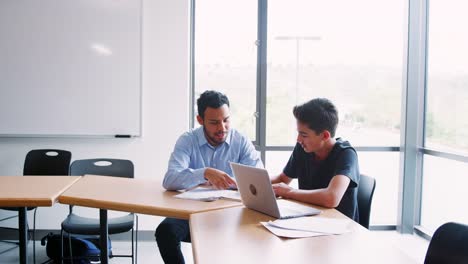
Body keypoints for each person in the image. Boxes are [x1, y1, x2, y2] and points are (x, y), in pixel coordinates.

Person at [156, 90, 263, 263]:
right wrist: (204, 172)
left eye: (226, 120)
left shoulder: (240, 141)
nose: (222, 128)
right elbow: (170, 179)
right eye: (214, 122)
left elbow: (258, 181)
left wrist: (235, 183)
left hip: (230, 212)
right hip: (192, 211)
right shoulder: (187, 140)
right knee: (165, 232)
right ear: (200, 120)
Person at [271, 98, 360, 221]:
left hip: (338, 226)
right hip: (309, 220)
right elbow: (282, 179)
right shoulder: (303, 148)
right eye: (298, 133)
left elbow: (331, 198)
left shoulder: (346, 154)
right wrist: (248, 183)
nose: (298, 139)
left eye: (304, 135)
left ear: (325, 135)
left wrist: (289, 192)